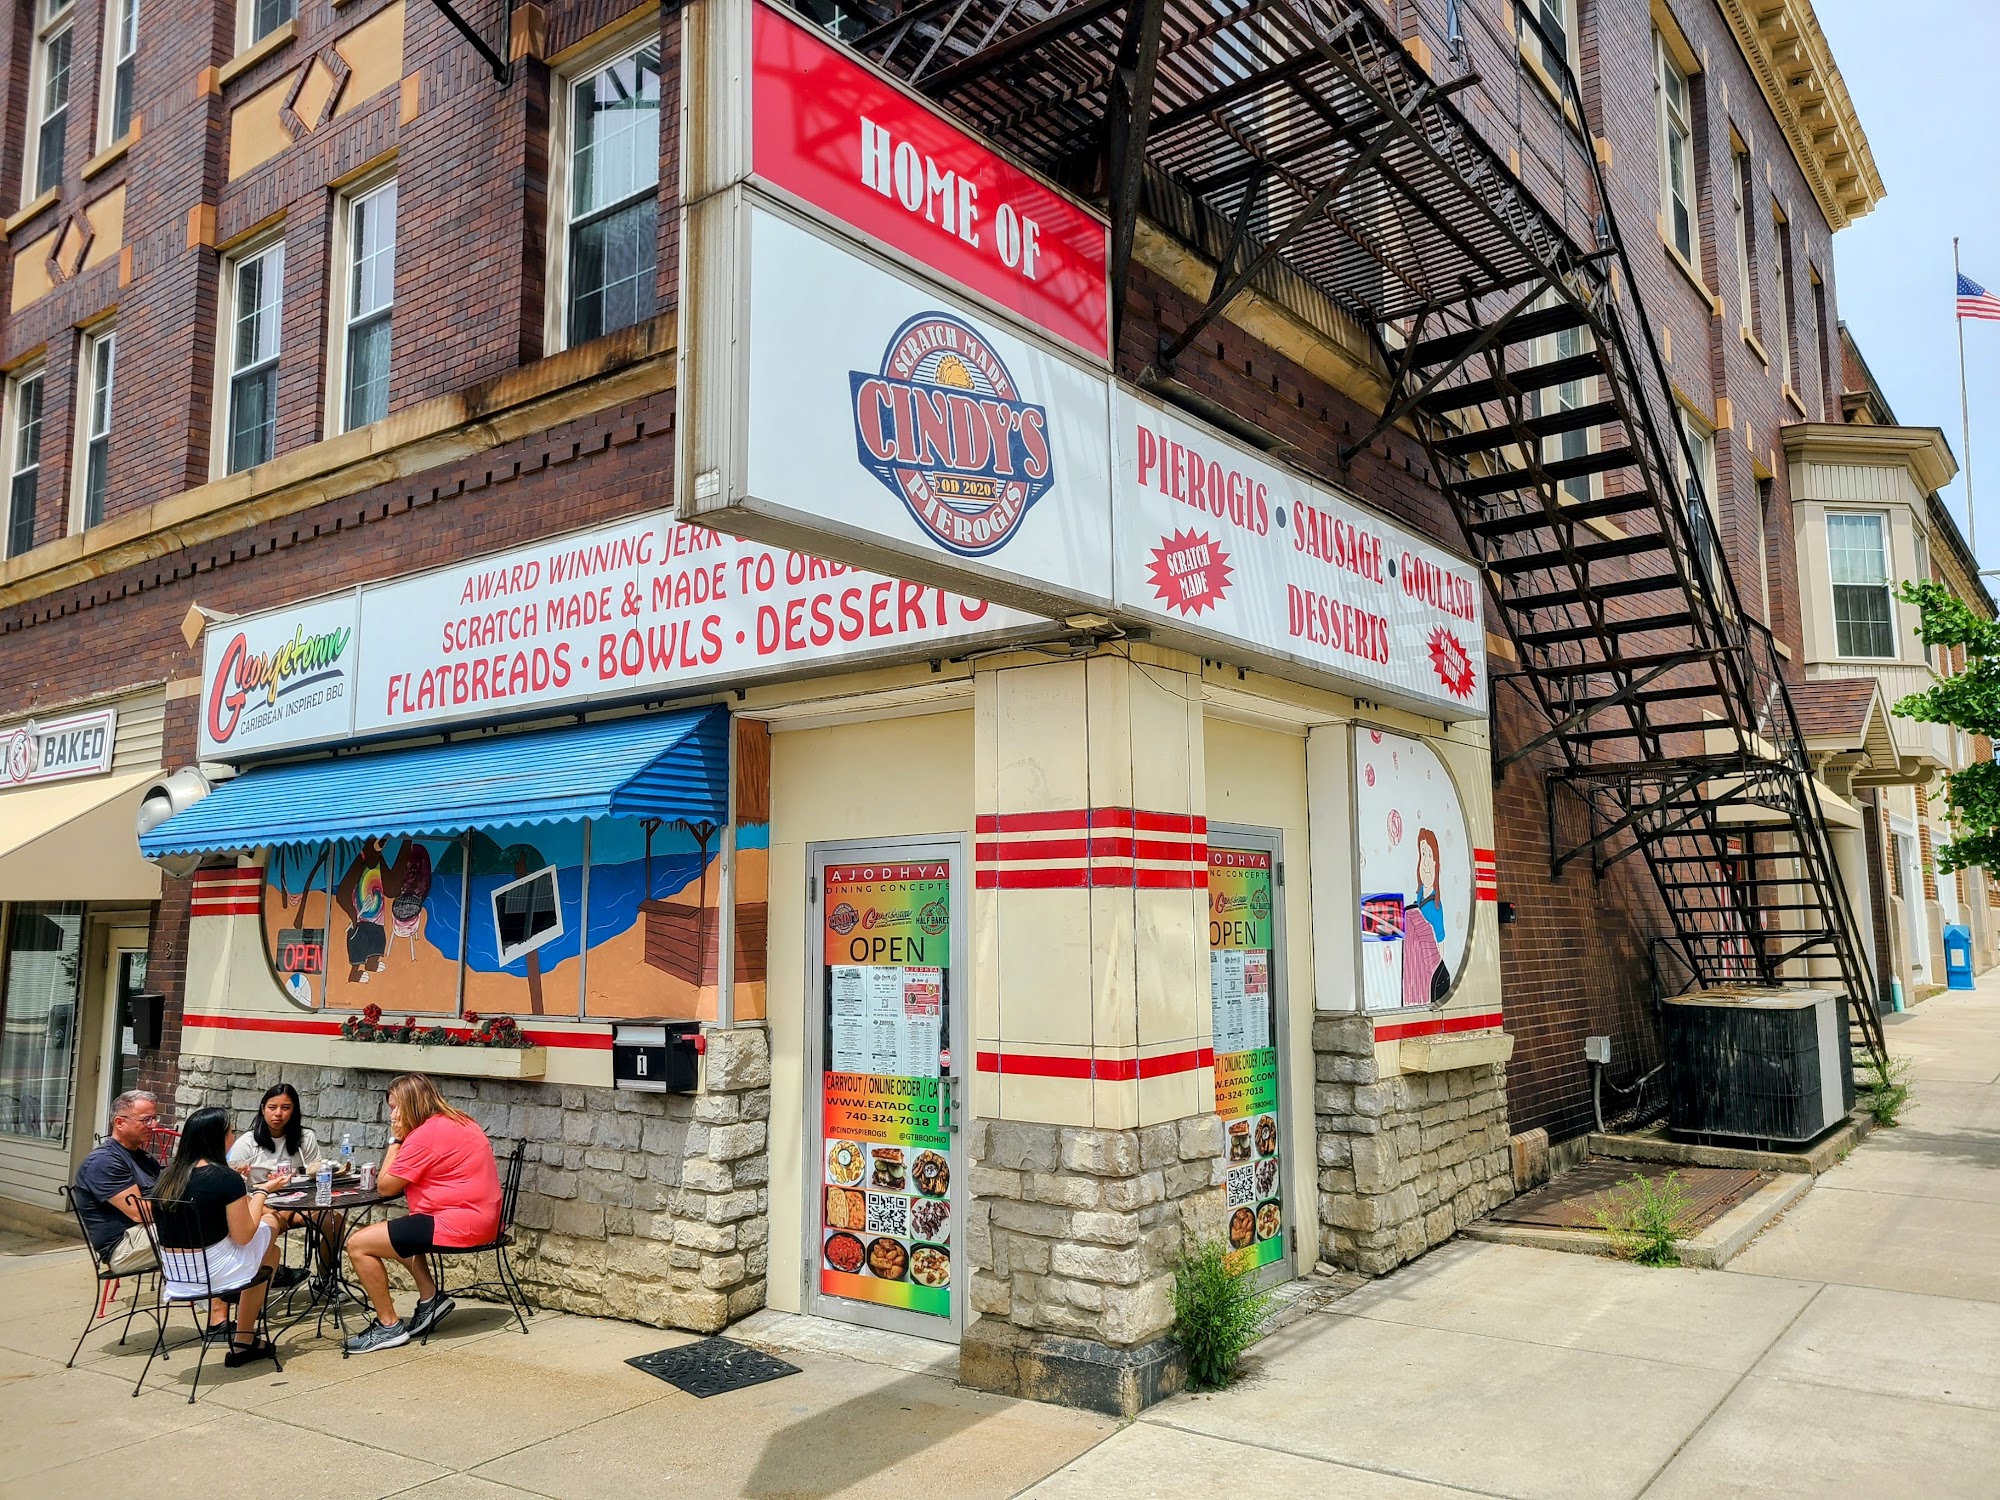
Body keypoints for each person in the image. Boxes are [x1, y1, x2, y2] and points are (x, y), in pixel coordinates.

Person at [343, 1073, 500, 1354]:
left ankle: (388, 1326)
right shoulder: (456, 1119)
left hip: (458, 1222)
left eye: (395, 1108)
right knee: (394, 1234)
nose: (392, 1114)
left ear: (410, 1104)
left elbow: (386, 1185)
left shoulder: (425, 1135)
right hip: (478, 1216)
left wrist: (395, 1139)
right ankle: (431, 1300)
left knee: (358, 1244)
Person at [149, 1106, 285, 1368]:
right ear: (220, 1138)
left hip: (177, 1274)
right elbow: (244, 1236)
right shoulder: (224, 1178)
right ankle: (245, 1339)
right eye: (231, 1131)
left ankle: (244, 1336)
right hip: (213, 1274)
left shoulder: (167, 1175)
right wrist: (262, 1192)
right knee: (270, 1227)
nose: (233, 1136)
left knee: (266, 1246)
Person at [226, 1082, 334, 1288]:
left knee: (333, 1221)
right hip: (261, 1204)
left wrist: (301, 1174)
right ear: (262, 1108)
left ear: (294, 1111)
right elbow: (232, 1185)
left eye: (285, 1108)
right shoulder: (247, 1143)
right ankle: (259, 1280)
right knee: (274, 1220)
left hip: (299, 1202)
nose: (278, 1114)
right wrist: (245, 1174)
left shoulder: (305, 1138)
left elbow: (315, 1173)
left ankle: (324, 1280)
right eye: (272, 1107)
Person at [72, 1090, 164, 1274]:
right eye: (146, 1120)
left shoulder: (143, 1157)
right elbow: (141, 1214)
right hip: (124, 1249)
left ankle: (209, 1298)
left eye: (155, 1118)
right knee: (205, 1229)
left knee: (213, 1225)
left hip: (147, 1235)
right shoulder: (103, 1161)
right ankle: (212, 1301)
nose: (153, 1125)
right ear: (120, 1123)